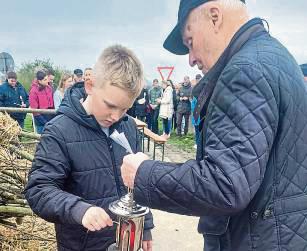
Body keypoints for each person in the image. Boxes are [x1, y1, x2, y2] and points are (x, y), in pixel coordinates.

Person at [120, 1, 307, 251]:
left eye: (190, 42)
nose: (191, 59)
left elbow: (225, 184)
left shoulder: (244, 70)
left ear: (215, 17)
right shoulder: (277, 57)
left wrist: (144, 173)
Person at [24, 45, 154, 251]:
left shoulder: (128, 126)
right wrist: (79, 209)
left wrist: (145, 223)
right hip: (81, 244)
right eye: (110, 105)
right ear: (90, 85)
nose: (116, 116)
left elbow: (137, 183)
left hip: (124, 242)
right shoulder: (59, 131)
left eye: (125, 108)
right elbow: (39, 189)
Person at [191, 74, 202, 148]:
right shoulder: (194, 89)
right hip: (195, 113)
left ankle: (200, 144)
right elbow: (193, 102)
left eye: (199, 79)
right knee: (196, 129)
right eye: (197, 79)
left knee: (201, 130)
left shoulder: (204, 88)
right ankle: (196, 142)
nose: (198, 80)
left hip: (201, 113)